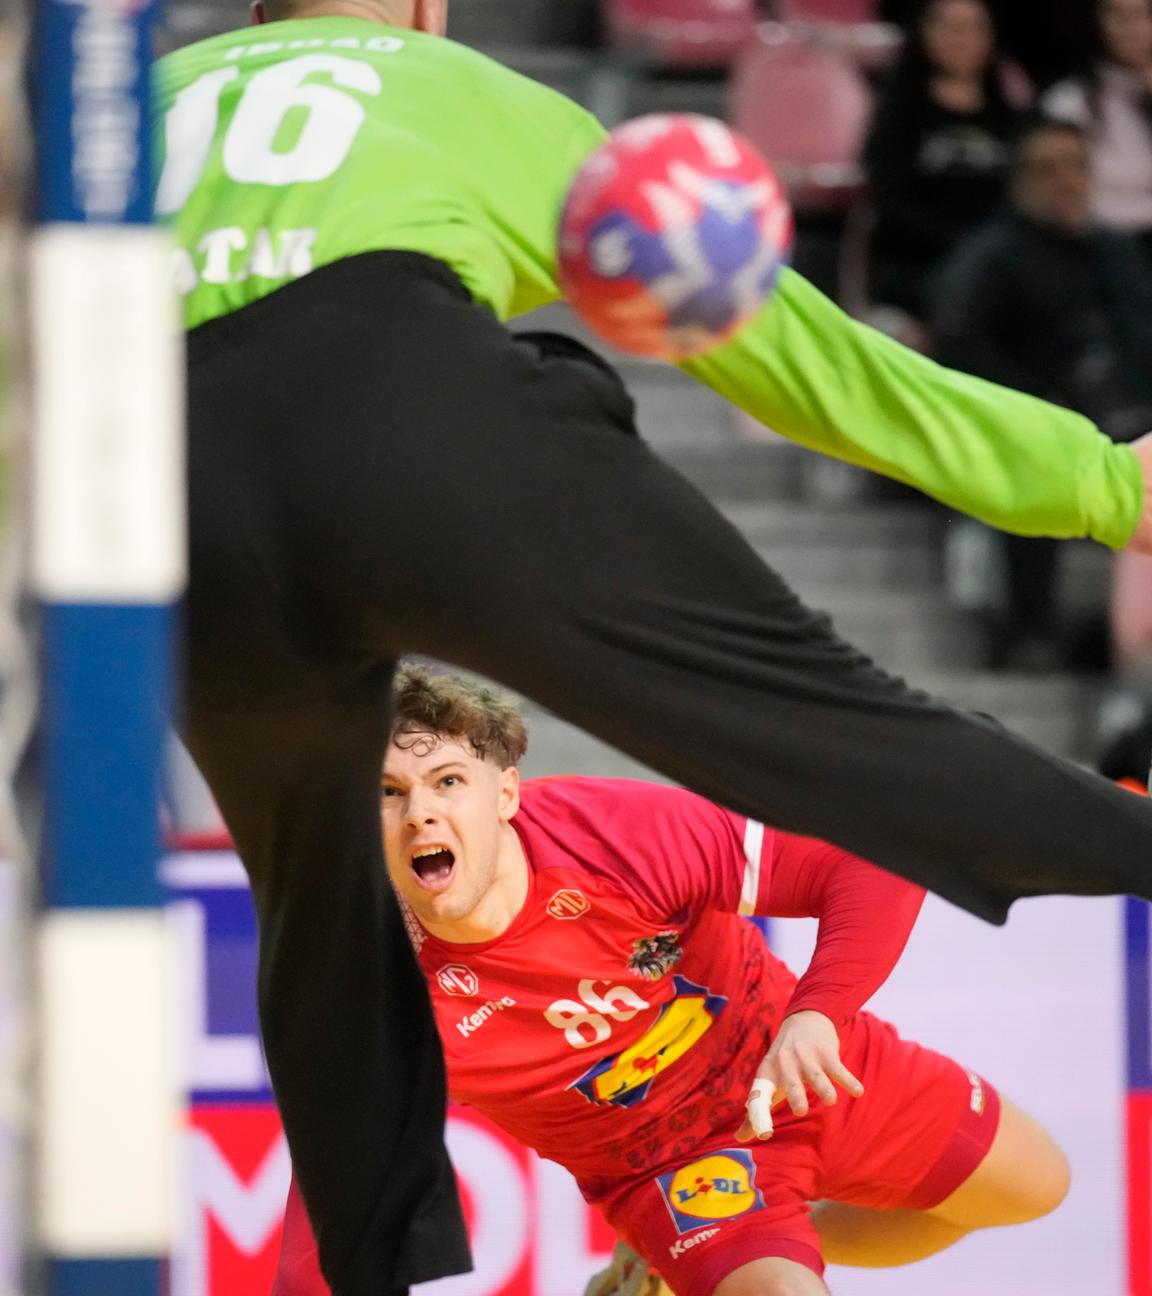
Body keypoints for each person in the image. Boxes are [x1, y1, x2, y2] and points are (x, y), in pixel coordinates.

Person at [154, 1, 1152, 1291]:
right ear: (423, 9)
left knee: (320, 930)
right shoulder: (459, 87)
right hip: (408, 409)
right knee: (818, 718)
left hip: (162, 493)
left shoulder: (118, 108)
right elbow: (818, 367)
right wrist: (1099, 484)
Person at [271, 668, 1072, 1296]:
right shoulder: (371, 993)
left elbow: (865, 861)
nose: (420, 814)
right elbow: (331, 1230)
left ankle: (745, 1241)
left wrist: (819, 1014)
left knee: (1039, 1187)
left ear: (505, 794)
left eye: (448, 780)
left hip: (793, 1065)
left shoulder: (609, 834)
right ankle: (729, 1244)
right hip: (663, 1163)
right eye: (387, 793)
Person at [932, 117, 1152, 668]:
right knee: (1036, 480)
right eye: (1048, 168)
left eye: (1077, 165)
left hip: (1125, 416)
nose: (1066, 180)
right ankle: (1031, 635)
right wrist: (1029, 403)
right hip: (1035, 422)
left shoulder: (1115, 251)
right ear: (1021, 179)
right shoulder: (991, 255)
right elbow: (959, 344)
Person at [863, 0, 1027, 328]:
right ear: (923, 34)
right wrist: (964, 247)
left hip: (999, 264)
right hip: (918, 265)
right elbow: (891, 202)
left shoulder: (1014, 120)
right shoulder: (896, 116)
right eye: (948, 26)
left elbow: (1024, 199)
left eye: (972, 28)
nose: (960, 38)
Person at [1043, 0, 1152, 259]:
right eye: (1117, 15)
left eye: (1141, 15)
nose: (1130, 27)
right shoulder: (1070, 100)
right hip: (1099, 246)